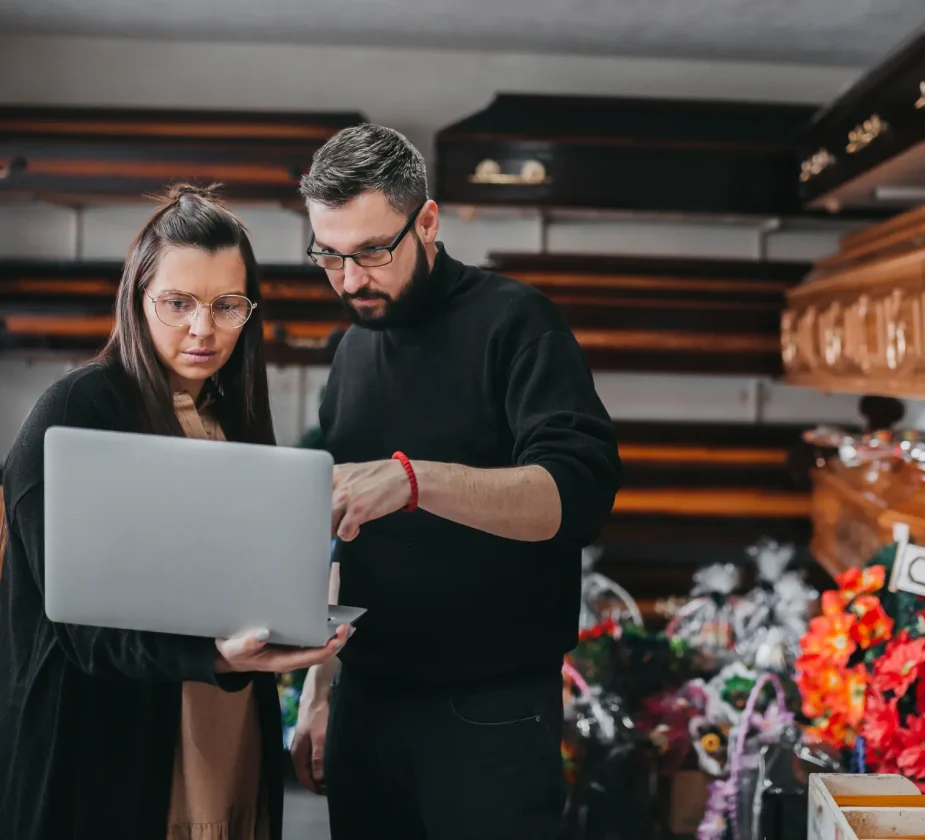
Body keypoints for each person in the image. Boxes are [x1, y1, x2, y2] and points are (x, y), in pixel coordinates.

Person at [290, 124, 623, 839]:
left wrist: (414, 482)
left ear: (428, 222)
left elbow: (577, 496)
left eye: (373, 252)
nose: (350, 280)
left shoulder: (517, 323)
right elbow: (341, 539)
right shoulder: (350, 349)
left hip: (489, 713)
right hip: (366, 702)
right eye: (329, 255)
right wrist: (318, 689)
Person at [0, 184, 351, 840]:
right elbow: (83, 631)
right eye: (179, 302)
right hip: (109, 749)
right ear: (138, 298)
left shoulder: (232, 417)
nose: (203, 328)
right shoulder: (77, 411)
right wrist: (218, 657)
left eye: (228, 305)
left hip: (223, 729)